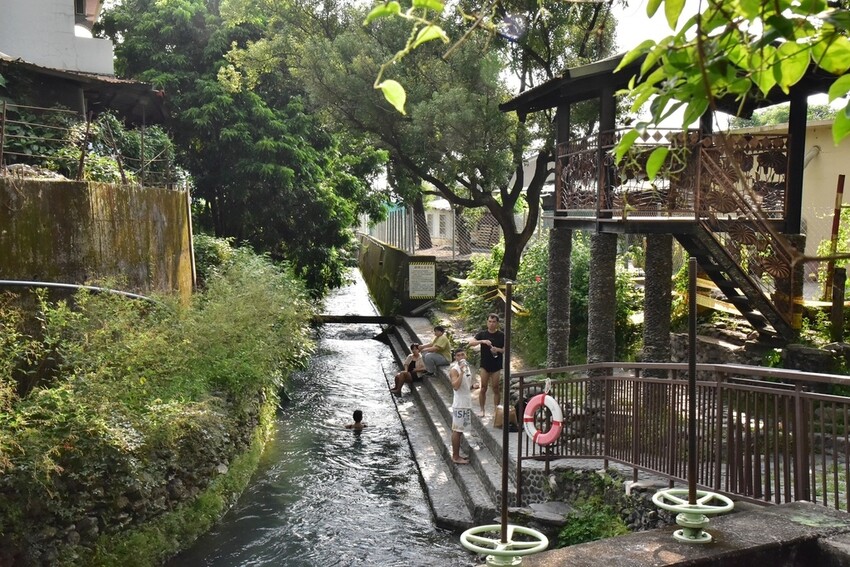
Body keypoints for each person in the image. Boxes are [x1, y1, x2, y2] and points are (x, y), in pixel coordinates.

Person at [468, 313, 505, 418]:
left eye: (494, 322)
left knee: (496, 388)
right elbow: (471, 343)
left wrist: (497, 349)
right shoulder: (482, 334)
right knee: (483, 387)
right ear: (487, 322)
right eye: (490, 321)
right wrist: (482, 341)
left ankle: (496, 411)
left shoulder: (501, 335)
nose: (491, 324)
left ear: (497, 323)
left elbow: (505, 349)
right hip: (484, 365)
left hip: (496, 365)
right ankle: (482, 410)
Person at [448, 348, 473, 464]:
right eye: (458, 355)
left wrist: (473, 386)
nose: (461, 357)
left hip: (466, 402)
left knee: (460, 429)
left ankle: (457, 454)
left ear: (466, 355)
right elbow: (455, 386)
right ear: (455, 358)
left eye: (462, 354)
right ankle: (455, 456)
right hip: (460, 404)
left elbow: (466, 384)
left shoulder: (467, 366)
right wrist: (461, 372)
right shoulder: (454, 370)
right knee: (457, 430)